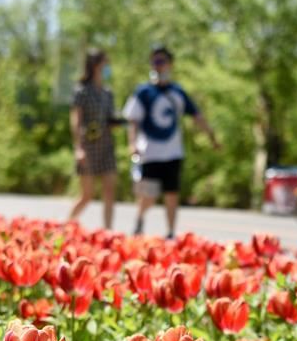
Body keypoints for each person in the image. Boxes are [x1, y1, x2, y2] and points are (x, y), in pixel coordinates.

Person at [123, 45, 219, 238]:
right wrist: (132, 143)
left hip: (173, 153)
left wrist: (211, 136)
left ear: (170, 64)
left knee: (171, 194)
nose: (158, 66)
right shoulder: (143, 92)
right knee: (148, 196)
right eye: (154, 62)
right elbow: (132, 120)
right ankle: (140, 219)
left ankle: (170, 232)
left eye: (162, 61)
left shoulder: (178, 92)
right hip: (150, 152)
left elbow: (197, 115)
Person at [68, 48, 120, 229]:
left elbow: (110, 118)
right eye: (105, 63)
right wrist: (78, 148)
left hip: (106, 146)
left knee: (109, 191)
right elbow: (75, 119)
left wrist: (118, 122)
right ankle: (66, 227)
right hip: (87, 146)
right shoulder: (81, 91)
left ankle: (108, 232)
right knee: (87, 194)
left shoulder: (108, 92)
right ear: (96, 65)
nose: (108, 67)